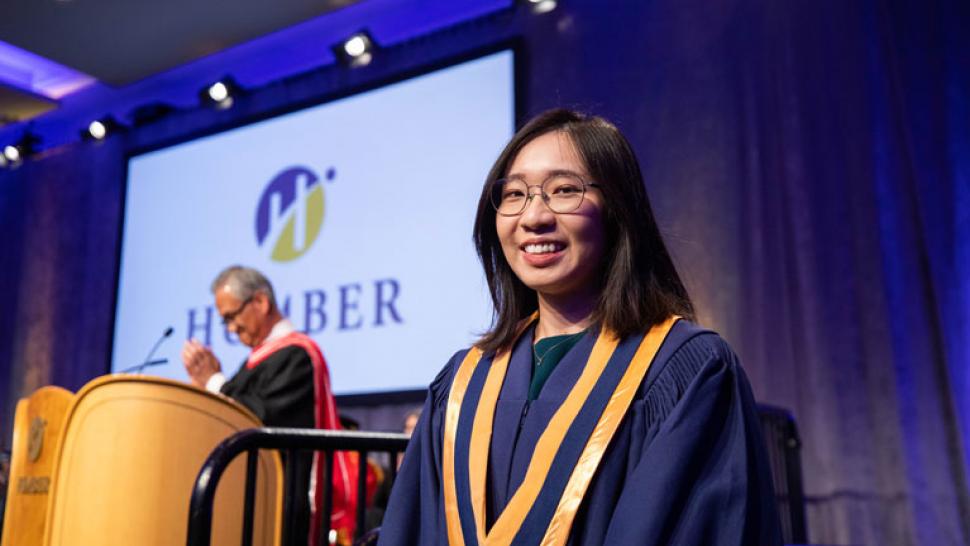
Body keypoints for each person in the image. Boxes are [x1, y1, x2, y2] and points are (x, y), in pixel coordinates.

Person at [379, 109, 782, 545]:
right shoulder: (463, 383)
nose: (533, 216)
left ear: (618, 210)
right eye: (514, 194)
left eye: (564, 190)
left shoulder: (684, 371)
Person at [182, 265, 363, 546]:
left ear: (260, 302)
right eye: (224, 321)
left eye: (232, 317)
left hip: (284, 500)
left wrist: (215, 381)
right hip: (251, 499)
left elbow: (257, 417)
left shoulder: (297, 355)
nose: (231, 329)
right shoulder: (256, 360)